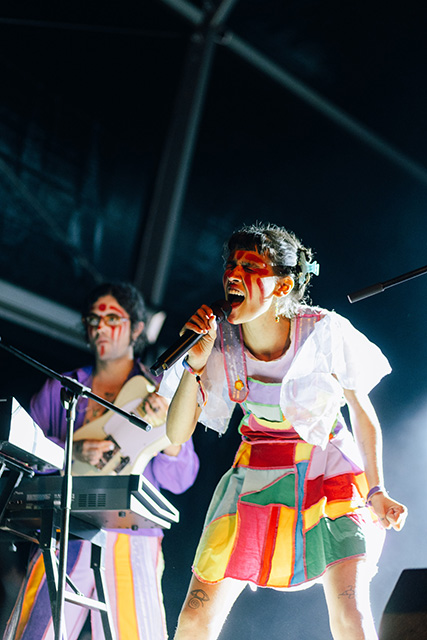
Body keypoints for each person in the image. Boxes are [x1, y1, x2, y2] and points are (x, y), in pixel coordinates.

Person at [159, 222, 407, 640]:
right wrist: (194, 366)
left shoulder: (322, 331)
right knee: (193, 621)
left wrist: (377, 490)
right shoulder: (219, 341)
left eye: (250, 267)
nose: (233, 274)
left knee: (351, 616)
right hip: (255, 475)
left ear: (283, 285)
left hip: (327, 472)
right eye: (231, 265)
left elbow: (362, 413)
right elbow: (176, 434)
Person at [4, 282, 199, 640]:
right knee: (35, 632)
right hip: (64, 527)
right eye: (93, 319)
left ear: (137, 329)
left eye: (112, 318)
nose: (101, 327)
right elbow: (23, 454)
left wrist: (170, 432)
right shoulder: (62, 388)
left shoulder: (160, 392)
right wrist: (71, 450)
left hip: (132, 535)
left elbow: (181, 479)